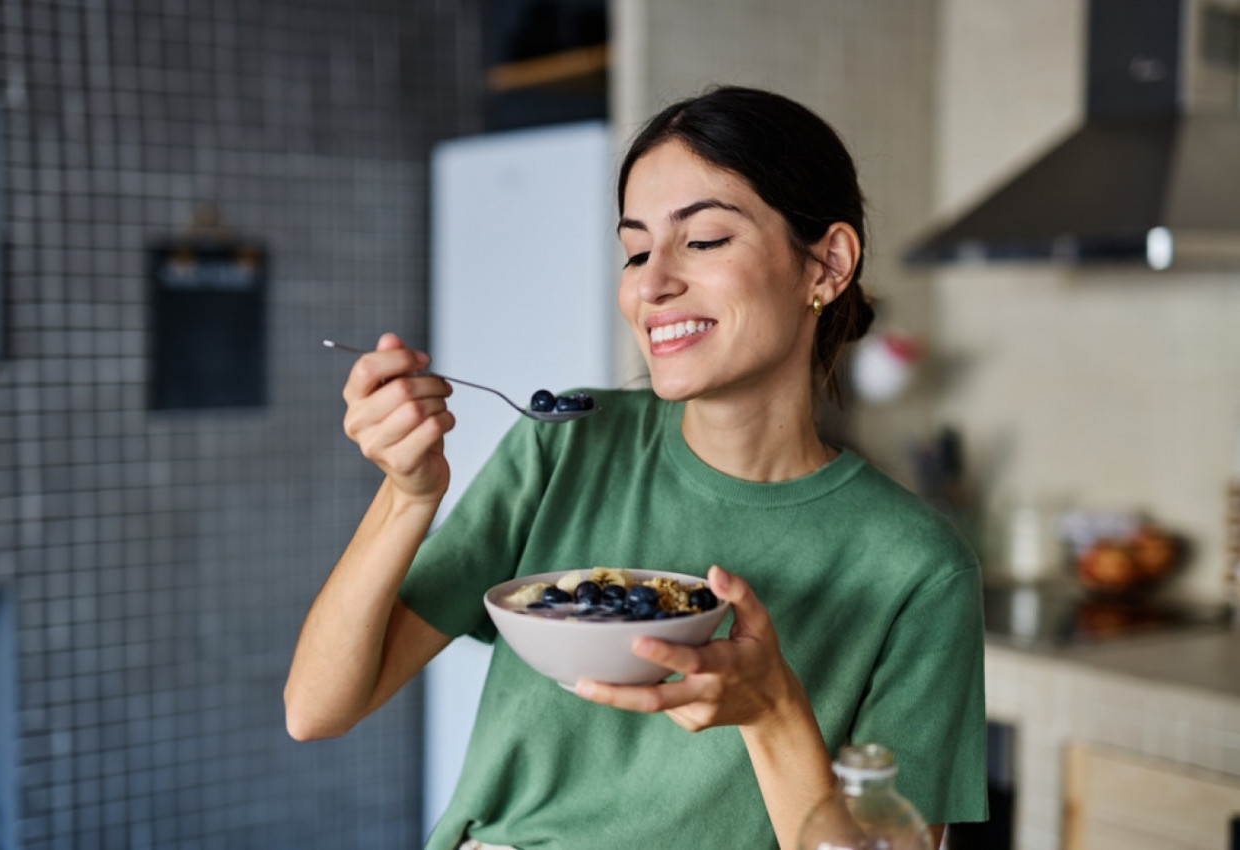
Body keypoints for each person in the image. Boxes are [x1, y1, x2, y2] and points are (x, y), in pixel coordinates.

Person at [284, 85, 987, 850]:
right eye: (635, 250)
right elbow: (317, 709)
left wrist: (772, 707)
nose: (651, 284)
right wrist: (407, 494)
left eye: (705, 240)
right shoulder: (566, 445)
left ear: (826, 264)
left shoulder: (918, 565)